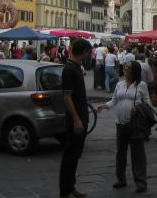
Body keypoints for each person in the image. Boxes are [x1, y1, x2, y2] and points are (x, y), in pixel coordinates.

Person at [98, 61, 149, 193]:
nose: (125, 70)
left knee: (137, 154)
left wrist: (138, 109)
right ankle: (121, 179)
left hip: (135, 124)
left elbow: (148, 103)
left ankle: (140, 182)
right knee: (120, 153)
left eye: (128, 68)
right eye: (125, 67)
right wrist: (104, 106)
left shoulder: (141, 85)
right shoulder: (119, 84)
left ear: (134, 71)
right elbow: (114, 100)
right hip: (120, 123)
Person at [58, 38, 92, 198]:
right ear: (84, 52)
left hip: (81, 116)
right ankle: (64, 190)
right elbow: (66, 97)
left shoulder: (76, 67)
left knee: (75, 155)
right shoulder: (69, 69)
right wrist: (76, 119)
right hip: (76, 119)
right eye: (88, 52)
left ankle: (70, 186)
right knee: (70, 156)